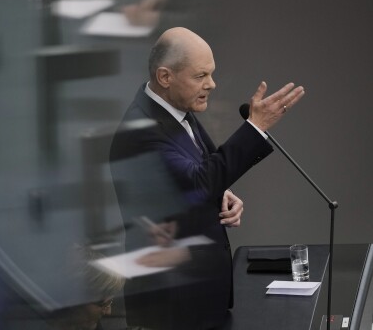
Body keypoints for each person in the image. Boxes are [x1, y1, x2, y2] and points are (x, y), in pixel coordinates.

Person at [109, 27, 305, 329]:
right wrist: (255, 128)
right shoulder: (140, 131)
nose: (211, 84)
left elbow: (197, 177)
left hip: (198, 298)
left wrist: (222, 193)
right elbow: (200, 182)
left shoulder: (177, 112)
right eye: (200, 76)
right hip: (172, 306)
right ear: (165, 77)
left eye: (211, 74)